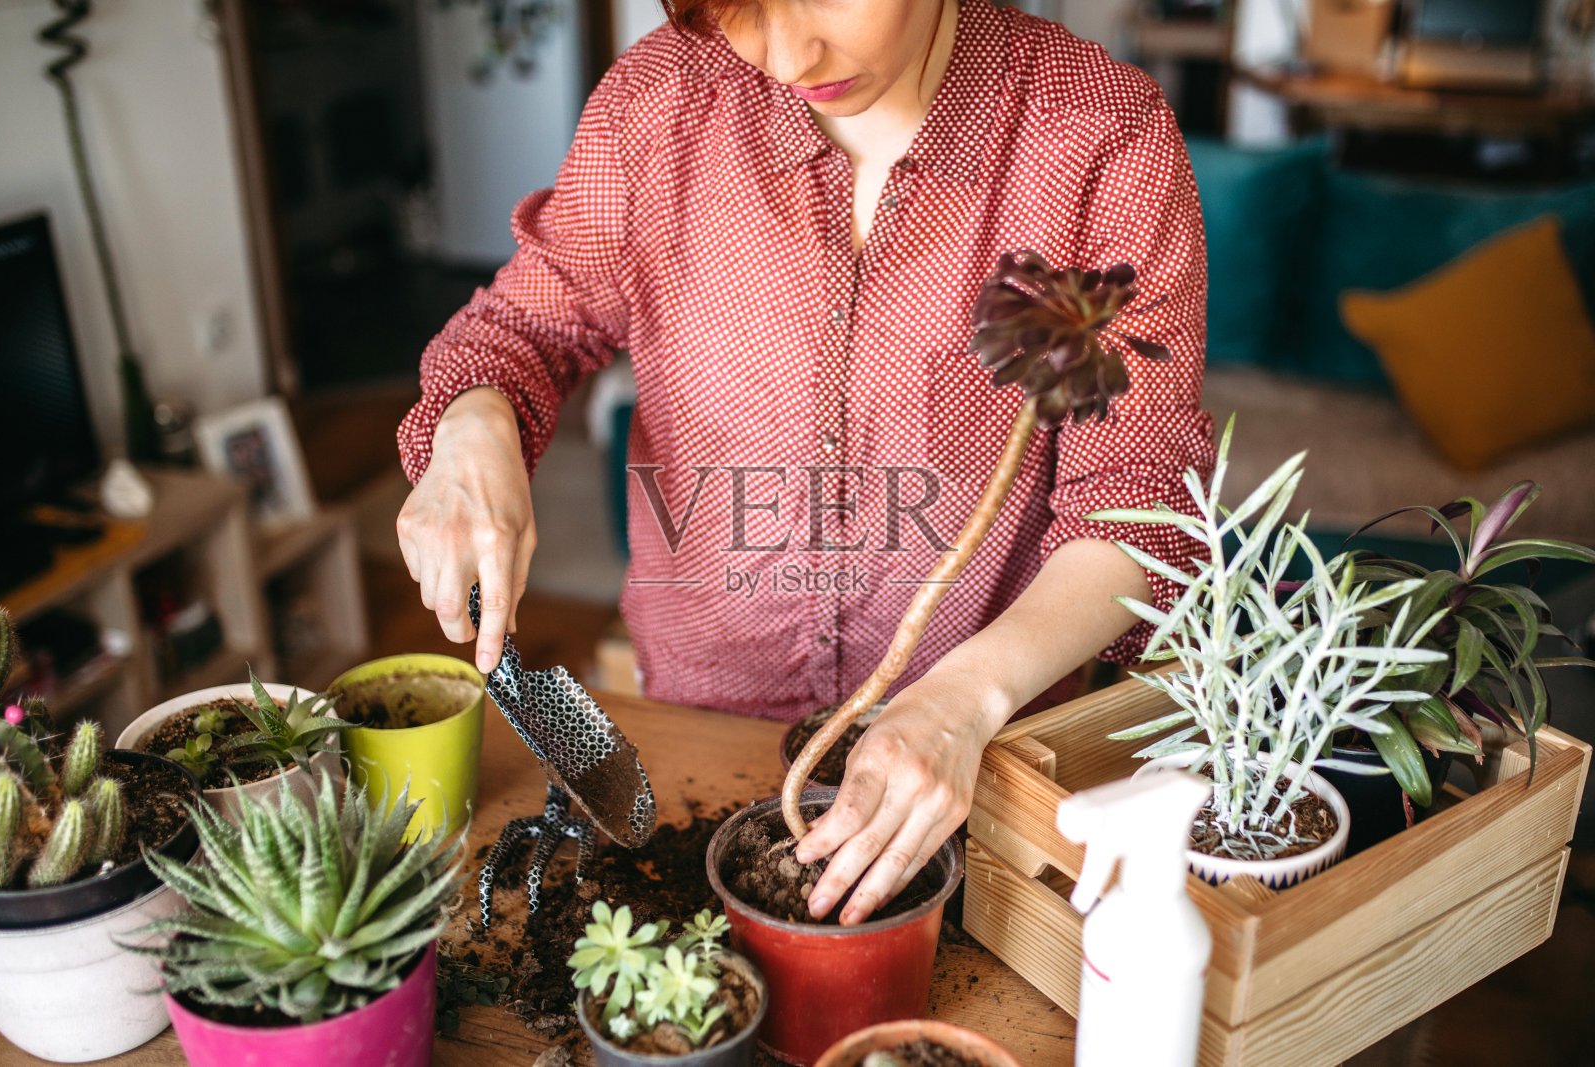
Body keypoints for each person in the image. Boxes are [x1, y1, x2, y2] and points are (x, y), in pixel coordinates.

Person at [397, 0, 1215, 924]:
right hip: (695, 740)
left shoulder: (1099, 133)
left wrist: (964, 700)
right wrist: (473, 426)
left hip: (976, 771)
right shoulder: (656, 104)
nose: (788, 58)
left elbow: (1138, 505)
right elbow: (524, 326)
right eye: (735, 7)